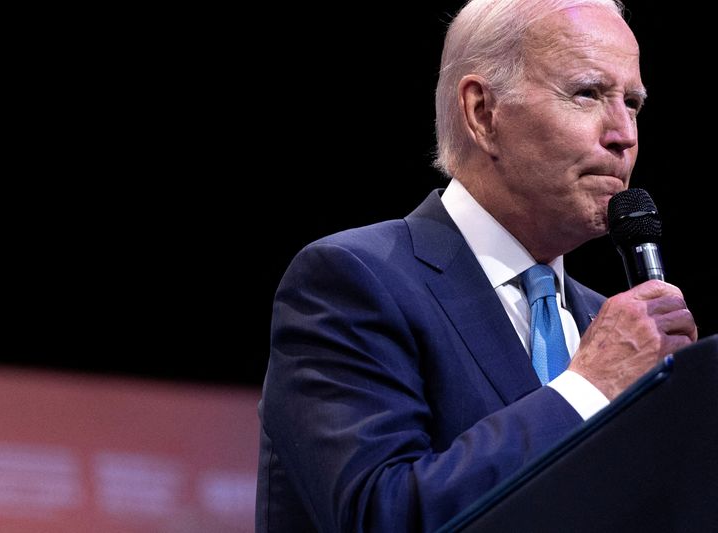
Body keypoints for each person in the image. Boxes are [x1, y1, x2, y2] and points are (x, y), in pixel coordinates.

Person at [255, 1, 698, 531]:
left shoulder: (608, 325)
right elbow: (382, 515)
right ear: (482, 112)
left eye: (633, 103)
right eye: (588, 94)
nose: (623, 134)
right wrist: (588, 387)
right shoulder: (351, 281)